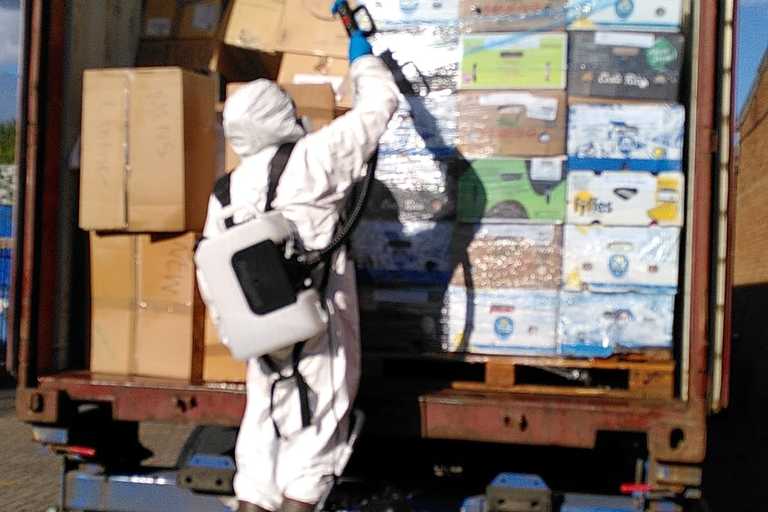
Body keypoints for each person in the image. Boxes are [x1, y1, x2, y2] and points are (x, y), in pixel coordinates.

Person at [201, 6, 399, 512]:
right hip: (317, 321)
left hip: (260, 331)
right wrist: (360, 56)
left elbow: (210, 267)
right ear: (277, 117)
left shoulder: (225, 192)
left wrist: (240, 322)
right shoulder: (315, 157)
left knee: (262, 433)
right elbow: (380, 106)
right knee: (318, 435)